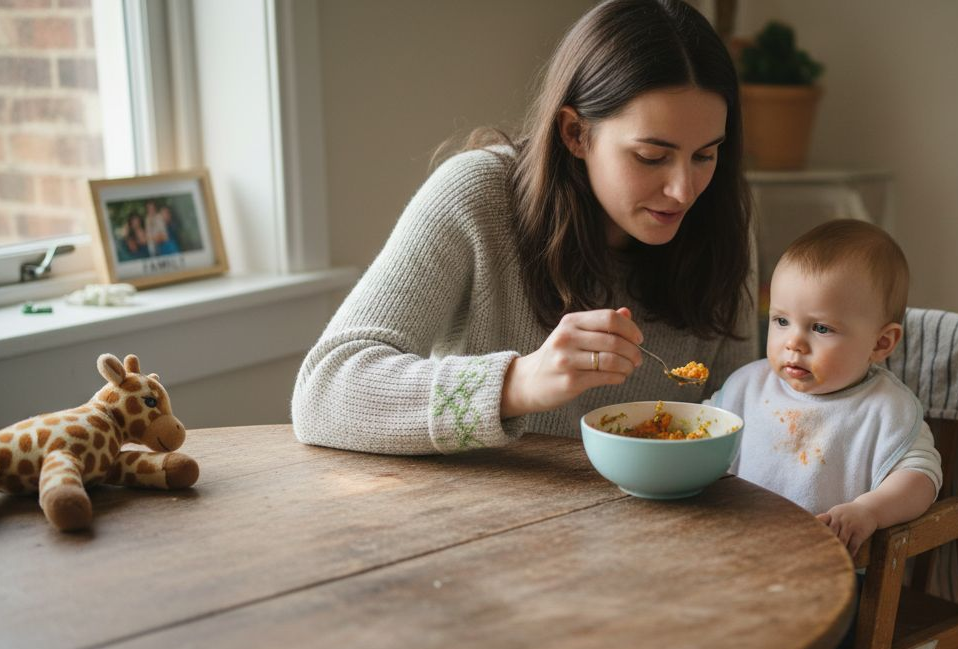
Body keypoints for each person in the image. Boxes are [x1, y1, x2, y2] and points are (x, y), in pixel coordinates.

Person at [291, 0, 755, 455]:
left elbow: (744, 418)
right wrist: (519, 382)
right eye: (651, 156)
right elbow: (324, 391)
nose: (683, 190)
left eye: (705, 155)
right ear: (575, 133)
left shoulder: (718, 221)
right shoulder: (477, 194)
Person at [711, 219, 942, 556]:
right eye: (781, 320)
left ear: (881, 342)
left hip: (828, 572)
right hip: (732, 551)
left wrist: (870, 510)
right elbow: (701, 435)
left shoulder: (883, 409)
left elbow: (921, 479)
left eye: (820, 327)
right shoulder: (749, 387)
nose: (794, 342)